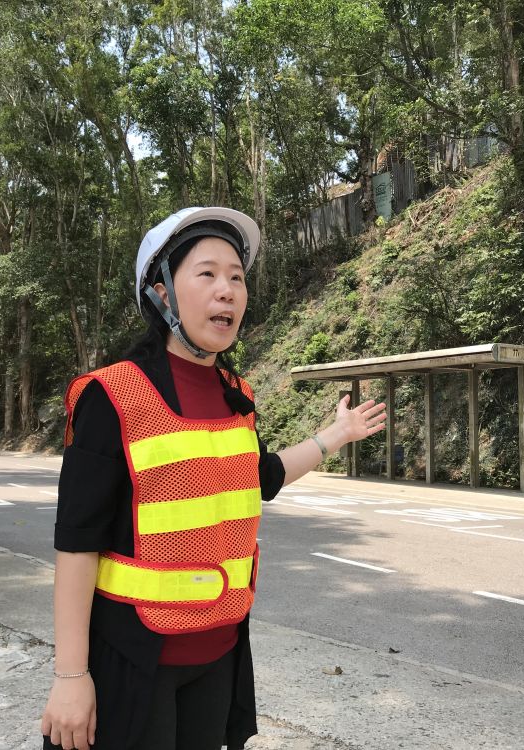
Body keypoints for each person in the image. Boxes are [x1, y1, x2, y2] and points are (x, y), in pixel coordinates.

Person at [41, 207, 387, 750]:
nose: (226, 290)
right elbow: (77, 543)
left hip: (220, 656)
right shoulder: (111, 396)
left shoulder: (237, 395)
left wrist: (334, 436)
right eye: (206, 274)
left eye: (237, 276)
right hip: (135, 661)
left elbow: (261, 476)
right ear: (161, 293)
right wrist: (70, 676)